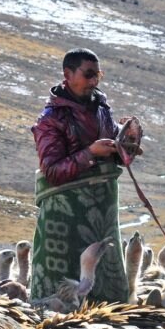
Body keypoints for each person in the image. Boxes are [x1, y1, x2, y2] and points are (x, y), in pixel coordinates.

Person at [29, 48, 140, 304]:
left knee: (110, 295)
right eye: (88, 74)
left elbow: (114, 153)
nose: (94, 81)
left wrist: (127, 141)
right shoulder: (50, 120)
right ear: (67, 74)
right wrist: (90, 152)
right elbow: (53, 171)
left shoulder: (101, 108)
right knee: (60, 301)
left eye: (97, 75)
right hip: (65, 221)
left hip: (103, 211)